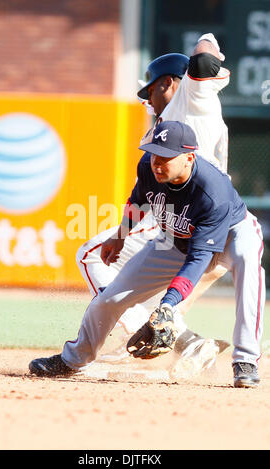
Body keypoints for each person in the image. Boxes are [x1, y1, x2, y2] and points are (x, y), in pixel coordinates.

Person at [29, 120, 265, 388]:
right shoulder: (149, 167)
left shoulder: (212, 193)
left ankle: (245, 359)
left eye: (166, 156)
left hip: (233, 232)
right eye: (154, 153)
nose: (157, 162)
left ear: (189, 158)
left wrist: (168, 303)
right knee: (110, 299)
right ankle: (74, 359)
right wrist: (119, 235)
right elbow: (139, 199)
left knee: (248, 261)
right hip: (176, 238)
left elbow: (199, 260)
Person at [74, 33, 230, 374]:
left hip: (180, 213)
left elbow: (202, 63)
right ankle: (179, 340)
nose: (149, 100)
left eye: (151, 91)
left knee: (89, 254)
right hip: (205, 222)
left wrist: (206, 40)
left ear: (170, 84)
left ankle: (185, 340)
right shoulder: (186, 115)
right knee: (140, 289)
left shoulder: (190, 99)